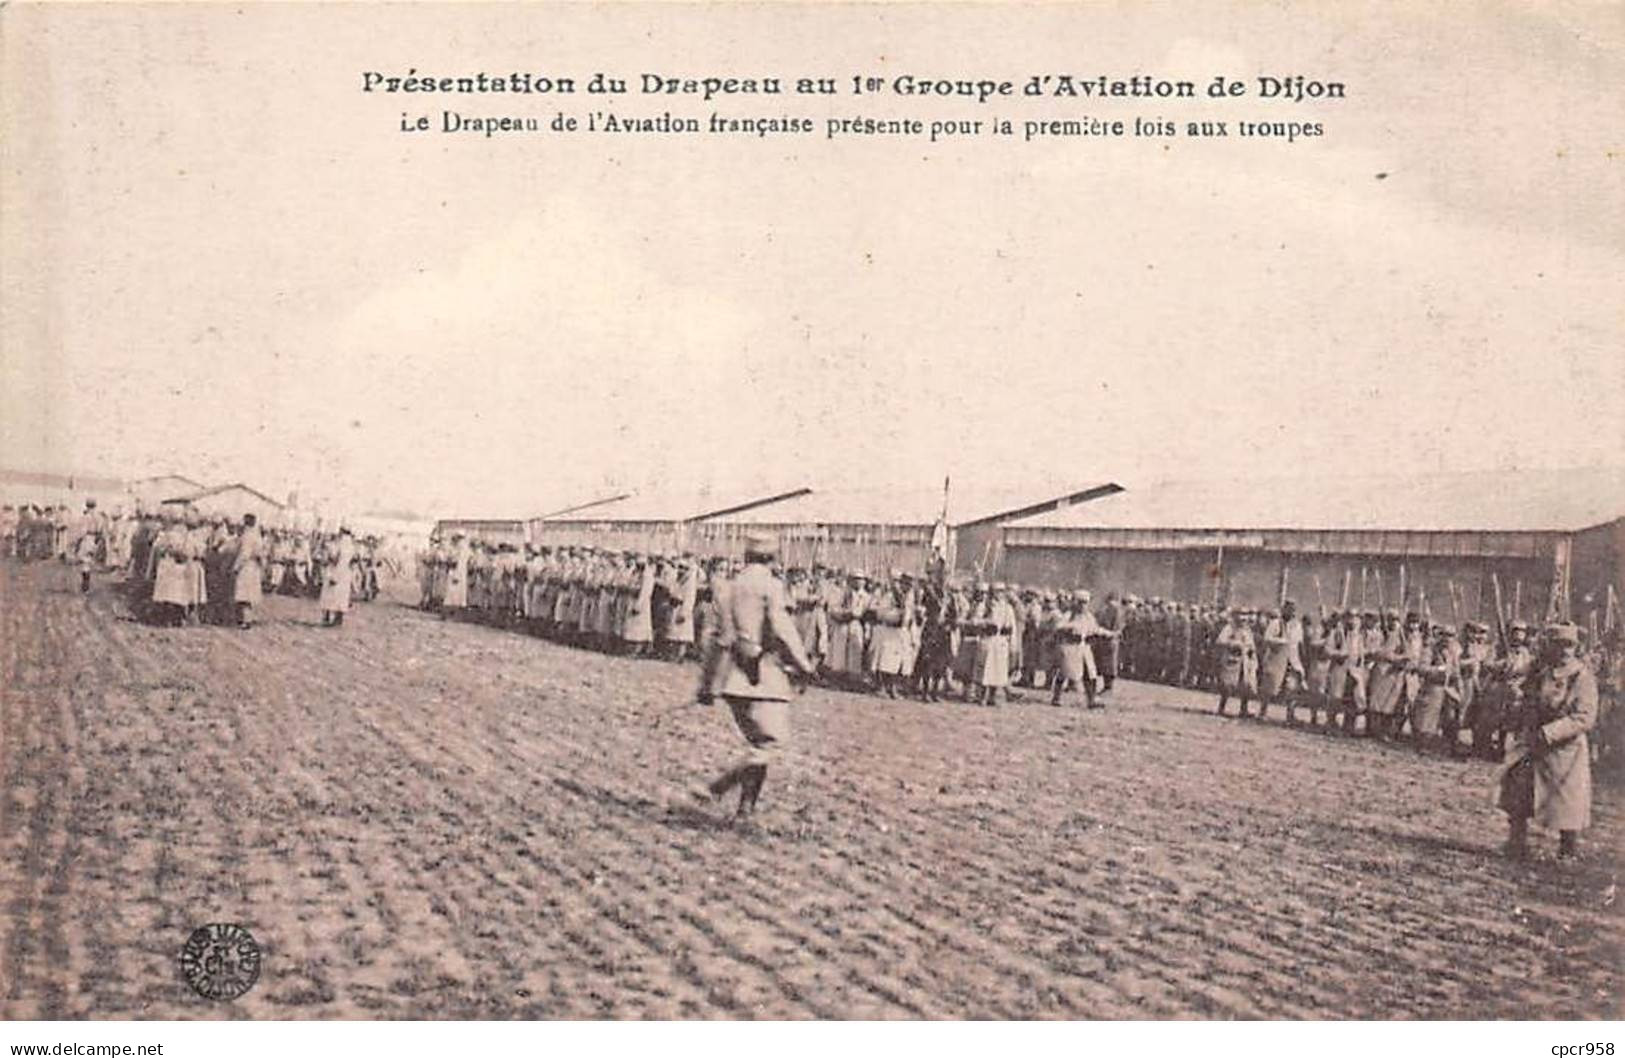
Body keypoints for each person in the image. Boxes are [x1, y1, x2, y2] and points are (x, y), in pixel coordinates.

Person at [693, 533, 815, 824]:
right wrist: (804, 664)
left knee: (760, 743)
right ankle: (716, 788)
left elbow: (718, 640)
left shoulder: (727, 587)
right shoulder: (770, 586)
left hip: (732, 677)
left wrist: (707, 684)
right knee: (769, 745)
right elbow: (782, 628)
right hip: (762, 677)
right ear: (772, 557)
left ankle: (745, 811)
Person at [1499, 623, 1598, 861]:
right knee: (1519, 789)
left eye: (1569, 645)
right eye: (1558, 644)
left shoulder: (1581, 676)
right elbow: (1525, 695)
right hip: (1534, 742)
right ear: (1549, 646)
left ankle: (1567, 850)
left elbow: (1584, 717)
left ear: (1576, 647)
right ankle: (1516, 842)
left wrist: (1552, 731)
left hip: (1565, 749)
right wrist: (1517, 699)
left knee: (1567, 801)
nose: (1564, 650)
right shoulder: (1541, 671)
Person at [232, 514, 266, 628]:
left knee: (244, 594)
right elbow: (261, 554)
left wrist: (236, 567)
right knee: (250, 594)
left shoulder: (247, 536)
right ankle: (248, 618)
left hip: (246, 567)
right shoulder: (258, 536)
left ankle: (245, 620)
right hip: (255, 567)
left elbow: (244, 554)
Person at [320, 527, 356, 627]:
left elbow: (337, 561)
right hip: (345, 574)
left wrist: (335, 576)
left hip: (337, 572)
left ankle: (328, 617)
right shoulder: (351, 547)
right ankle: (337, 618)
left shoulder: (341, 546)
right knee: (341, 597)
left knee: (330, 595)